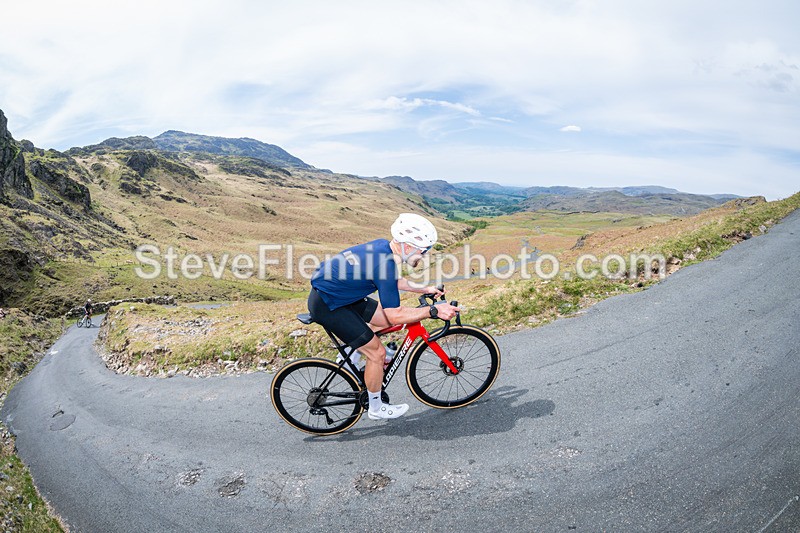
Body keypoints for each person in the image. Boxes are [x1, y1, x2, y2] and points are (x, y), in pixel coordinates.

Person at [308, 213, 460, 420]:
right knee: (377, 353)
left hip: (342, 296)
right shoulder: (384, 264)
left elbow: (395, 282)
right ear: (408, 245)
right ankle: (376, 408)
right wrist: (433, 311)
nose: (424, 256)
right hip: (329, 306)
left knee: (384, 322)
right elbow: (395, 313)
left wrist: (426, 288)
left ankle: (351, 353)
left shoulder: (384, 248)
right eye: (423, 251)